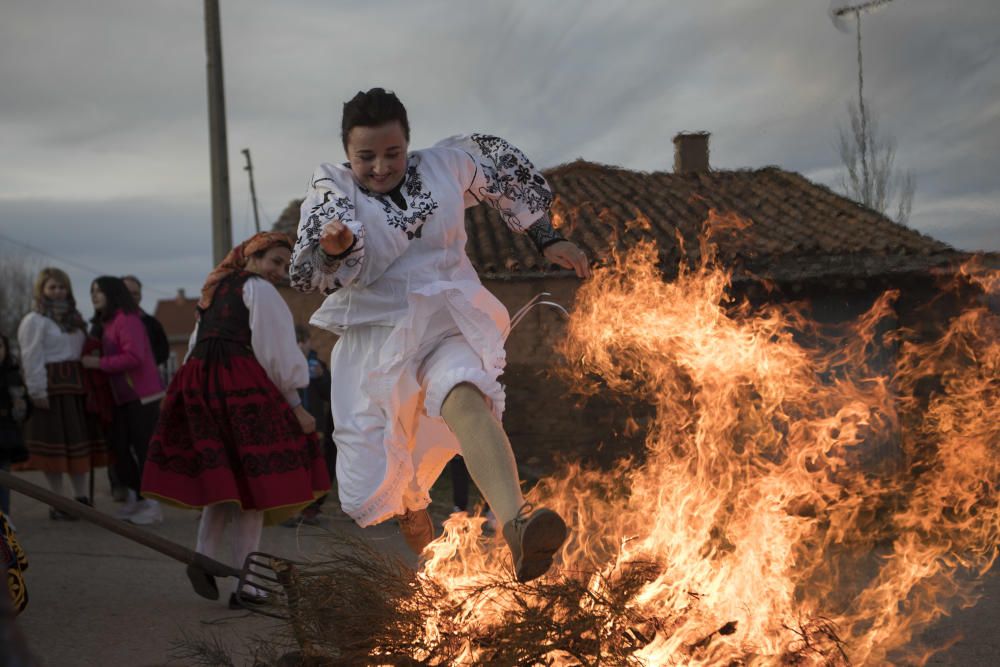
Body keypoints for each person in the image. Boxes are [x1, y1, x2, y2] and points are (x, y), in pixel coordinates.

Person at [289, 88, 591, 582]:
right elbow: (309, 272)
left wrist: (547, 237)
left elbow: (501, 174)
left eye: (393, 153)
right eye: (367, 157)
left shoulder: (446, 166)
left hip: (446, 314)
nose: (382, 167)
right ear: (348, 153)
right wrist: (335, 248)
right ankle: (410, 504)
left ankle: (516, 525)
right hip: (376, 336)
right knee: (368, 482)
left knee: (465, 391)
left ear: (409, 143)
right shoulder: (332, 187)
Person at [141, 232, 330, 608]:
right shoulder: (258, 289)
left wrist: (183, 389)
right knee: (255, 488)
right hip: (239, 385)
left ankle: (204, 558)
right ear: (252, 256)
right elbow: (274, 348)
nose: (279, 271)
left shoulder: (213, 290)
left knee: (224, 484)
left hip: (200, 384)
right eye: (275, 261)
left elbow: (195, 344)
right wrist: (295, 404)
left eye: (283, 265)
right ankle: (248, 585)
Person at [16, 268, 106, 519]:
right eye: (52, 287)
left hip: (76, 388)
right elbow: (31, 356)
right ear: (42, 290)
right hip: (51, 389)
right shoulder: (35, 320)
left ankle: (81, 498)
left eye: (61, 287)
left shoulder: (76, 320)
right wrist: (37, 390)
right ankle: (57, 500)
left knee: (78, 444)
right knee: (54, 447)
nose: (57, 292)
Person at [82, 277, 165, 525]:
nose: (95, 296)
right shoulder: (107, 323)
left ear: (112, 293)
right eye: (92, 291)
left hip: (142, 395)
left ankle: (153, 505)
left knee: (142, 450)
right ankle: (136, 498)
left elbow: (134, 356)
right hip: (123, 398)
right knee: (120, 448)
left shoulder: (127, 320)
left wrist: (99, 363)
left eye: (100, 291)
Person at [0, 334, 31, 518]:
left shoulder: (12, 375)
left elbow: (23, 408)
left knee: (4, 481)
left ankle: (4, 522)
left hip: (4, 433)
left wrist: (21, 405)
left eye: (0, 346)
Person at [121, 275, 170, 369]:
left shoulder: (152, 323)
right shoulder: (106, 322)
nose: (131, 297)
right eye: (127, 293)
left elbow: (163, 351)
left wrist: (145, 362)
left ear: (140, 296)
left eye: (135, 293)